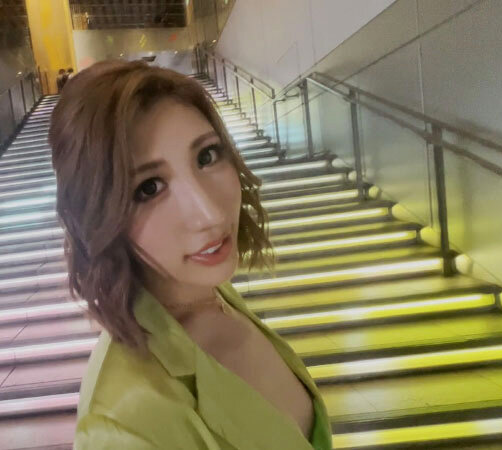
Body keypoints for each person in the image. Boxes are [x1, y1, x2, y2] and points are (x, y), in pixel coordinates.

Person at [49, 61, 333, 449]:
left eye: (207, 156)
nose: (210, 214)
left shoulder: (212, 295)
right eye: (149, 188)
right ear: (98, 215)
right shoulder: (125, 424)